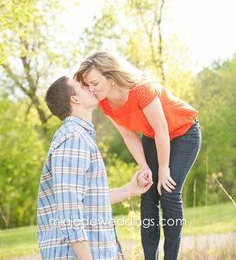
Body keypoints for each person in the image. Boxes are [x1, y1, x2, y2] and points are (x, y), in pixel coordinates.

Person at [74, 51, 202, 260]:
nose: (91, 89)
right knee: (148, 193)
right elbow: (128, 134)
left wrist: (163, 168)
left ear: (110, 76)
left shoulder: (141, 90)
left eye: (94, 83)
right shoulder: (105, 103)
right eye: (88, 85)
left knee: (168, 192)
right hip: (152, 136)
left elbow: (162, 128)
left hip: (183, 133)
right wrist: (145, 167)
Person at [37, 76, 152, 260]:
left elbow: (89, 200)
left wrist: (130, 190)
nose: (91, 87)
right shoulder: (73, 139)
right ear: (75, 99)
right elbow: (69, 210)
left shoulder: (80, 137)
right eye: (83, 86)